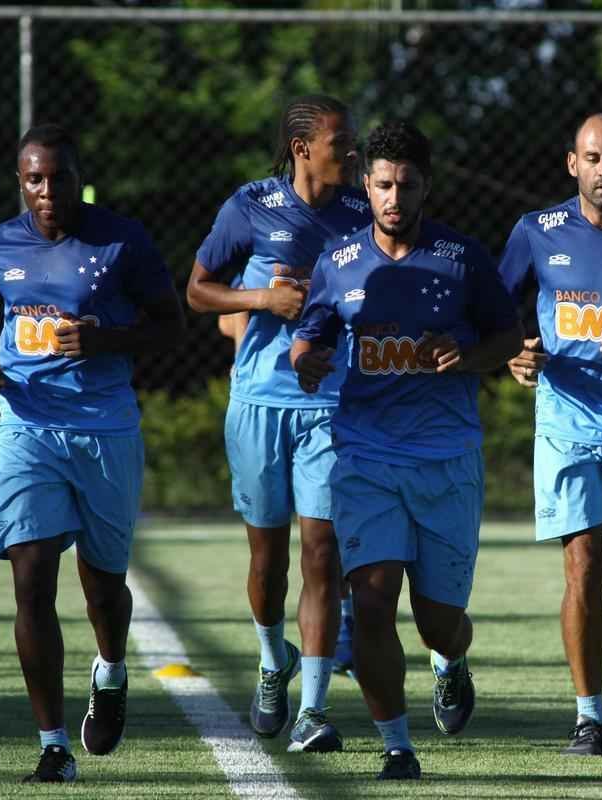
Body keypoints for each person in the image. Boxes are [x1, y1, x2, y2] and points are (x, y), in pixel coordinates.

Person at [0, 123, 185, 783]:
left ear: (78, 177)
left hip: (106, 431)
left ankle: (110, 672)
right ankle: (53, 744)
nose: (47, 191)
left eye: (58, 177)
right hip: (26, 428)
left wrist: (106, 339)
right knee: (30, 575)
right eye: (34, 179)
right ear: (20, 182)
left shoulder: (121, 241)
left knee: (104, 587)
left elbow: (171, 325)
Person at [291, 120, 523, 780]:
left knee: (436, 621)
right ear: (367, 185)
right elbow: (307, 339)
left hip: (445, 457)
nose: (395, 197)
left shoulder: (462, 257)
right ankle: (397, 744)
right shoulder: (338, 261)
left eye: (408, 185)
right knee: (370, 600)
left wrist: (469, 356)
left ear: (428, 186)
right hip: (364, 455)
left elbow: (508, 338)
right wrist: (308, 360)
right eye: (384, 185)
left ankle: (451, 659)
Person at [185, 95, 369, 752]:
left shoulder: (362, 211)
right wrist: (263, 297)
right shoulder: (250, 206)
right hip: (259, 403)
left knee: (322, 551)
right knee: (267, 559)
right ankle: (272, 660)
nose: (352, 153)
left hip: (331, 404)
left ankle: (314, 711)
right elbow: (198, 289)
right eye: (340, 142)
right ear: (302, 150)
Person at [498, 113, 602, 757]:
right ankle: (587, 717)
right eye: (593, 158)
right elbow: (492, 311)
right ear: (574, 164)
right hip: (567, 425)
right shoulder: (536, 232)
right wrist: (516, 351)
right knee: (582, 569)